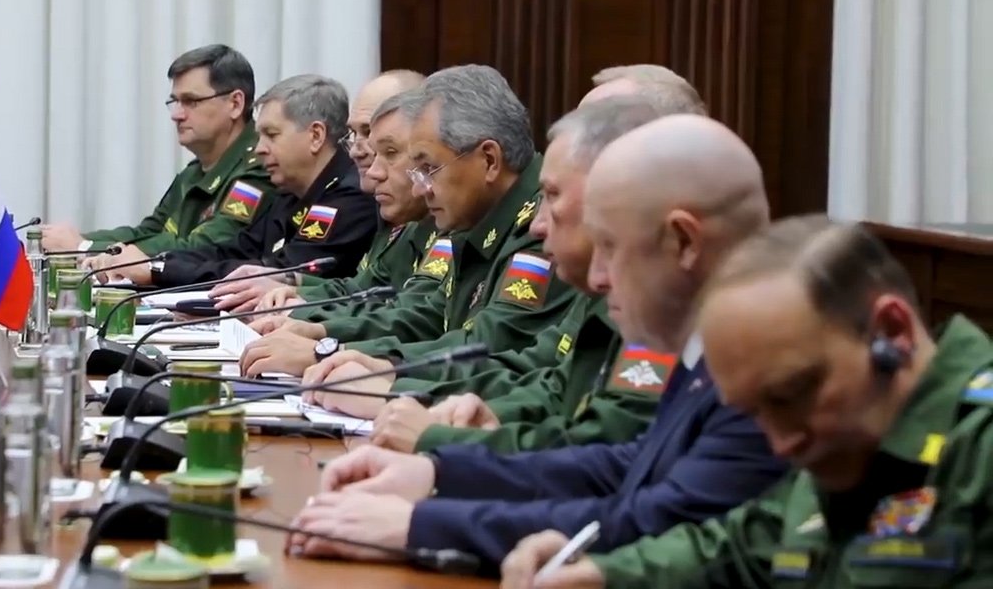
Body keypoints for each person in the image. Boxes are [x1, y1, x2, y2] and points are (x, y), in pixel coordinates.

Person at [286, 114, 787, 571]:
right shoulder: (712, 344)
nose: (597, 277)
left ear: (684, 242)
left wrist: (421, 525)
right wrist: (438, 471)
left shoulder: (766, 367)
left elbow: (655, 515)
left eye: (611, 247)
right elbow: (624, 467)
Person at [505, 216, 993, 588]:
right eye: (755, 412)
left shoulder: (978, 450)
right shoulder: (839, 442)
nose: (780, 444)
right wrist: (600, 572)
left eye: (788, 396)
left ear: (892, 332)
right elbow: (736, 548)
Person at [371, 73, 711, 453]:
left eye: (553, 195)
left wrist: (436, 432)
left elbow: (604, 449)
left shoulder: (668, 299)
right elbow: (554, 387)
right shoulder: (618, 279)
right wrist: (475, 414)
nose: (539, 223)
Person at [237, 65, 576, 394]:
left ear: (488, 160)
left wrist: (339, 355)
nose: (418, 187)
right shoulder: (475, 216)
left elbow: (489, 346)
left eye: (428, 168)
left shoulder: (540, 229)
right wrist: (322, 332)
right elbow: (429, 314)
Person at [87, 74, 378, 285]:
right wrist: (153, 262)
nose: (260, 148)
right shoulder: (291, 190)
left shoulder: (351, 195)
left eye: (272, 135)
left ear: (315, 136)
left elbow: (279, 272)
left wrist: (158, 271)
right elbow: (236, 249)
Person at [209, 70, 427, 312]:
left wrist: (310, 318)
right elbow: (360, 290)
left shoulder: (360, 199)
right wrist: (291, 283)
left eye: (389, 150)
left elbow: (410, 317)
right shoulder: (393, 217)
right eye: (355, 134)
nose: (356, 151)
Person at [40, 44, 276, 253]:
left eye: (191, 101)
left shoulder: (259, 167)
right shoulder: (195, 171)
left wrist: (83, 248)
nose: (177, 115)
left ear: (235, 104)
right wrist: (78, 242)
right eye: (175, 102)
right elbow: (149, 232)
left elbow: (206, 248)